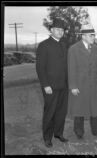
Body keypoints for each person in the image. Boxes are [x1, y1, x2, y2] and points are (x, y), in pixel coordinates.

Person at [67, 24, 97, 140]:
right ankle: (79, 131)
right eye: (91, 35)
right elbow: (71, 69)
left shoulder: (96, 48)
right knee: (79, 108)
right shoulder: (73, 49)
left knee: (96, 109)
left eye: (94, 35)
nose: (93, 37)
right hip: (80, 85)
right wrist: (73, 86)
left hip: (94, 85)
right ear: (83, 36)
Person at [36, 18, 68, 148]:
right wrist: (45, 85)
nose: (60, 32)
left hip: (63, 86)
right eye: (58, 29)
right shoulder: (44, 45)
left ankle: (58, 133)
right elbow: (40, 67)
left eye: (62, 30)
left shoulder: (63, 45)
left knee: (61, 112)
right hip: (50, 87)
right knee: (50, 112)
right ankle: (47, 138)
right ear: (52, 30)